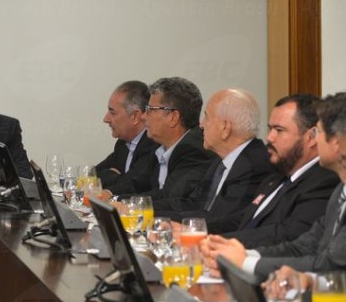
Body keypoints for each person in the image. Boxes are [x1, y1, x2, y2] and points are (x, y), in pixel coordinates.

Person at [203, 92, 346, 278]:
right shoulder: (338, 192)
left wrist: (244, 261)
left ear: (336, 142)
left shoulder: (325, 183)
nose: (269, 138)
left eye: (318, 132)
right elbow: (303, 246)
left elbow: (329, 265)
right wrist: (238, 254)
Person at [154, 88, 274, 219]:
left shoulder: (254, 165)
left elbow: (220, 219)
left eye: (207, 117)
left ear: (225, 128)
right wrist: (142, 210)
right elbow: (193, 204)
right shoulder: (220, 161)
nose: (201, 124)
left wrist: (164, 221)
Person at [130, 76, 217, 203]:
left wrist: (120, 201)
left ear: (173, 117)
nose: (143, 116)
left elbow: (170, 197)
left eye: (150, 110)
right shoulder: (157, 147)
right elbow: (138, 183)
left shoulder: (195, 150)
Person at [96, 80, 157, 194]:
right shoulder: (122, 144)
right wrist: (112, 175)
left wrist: (111, 176)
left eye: (112, 113)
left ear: (135, 116)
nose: (106, 119)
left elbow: (131, 186)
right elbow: (93, 174)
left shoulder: (153, 144)